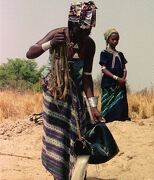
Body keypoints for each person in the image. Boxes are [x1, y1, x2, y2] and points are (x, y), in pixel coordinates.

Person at [26, 1, 104, 179]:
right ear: (71, 24)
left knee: (79, 138)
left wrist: (93, 107)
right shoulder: (58, 34)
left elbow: (86, 77)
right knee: (58, 141)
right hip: (54, 97)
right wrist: (50, 44)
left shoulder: (89, 45)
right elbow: (30, 53)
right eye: (81, 30)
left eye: (88, 31)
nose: (84, 35)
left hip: (75, 97)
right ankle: (59, 175)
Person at [99, 28, 130, 122]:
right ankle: (107, 119)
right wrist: (116, 78)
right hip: (109, 83)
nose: (115, 41)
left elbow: (124, 69)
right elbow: (103, 69)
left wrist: (122, 79)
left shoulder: (120, 54)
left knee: (120, 104)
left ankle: (121, 118)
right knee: (107, 103)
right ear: (108, 39)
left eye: (117, 39)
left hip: (120, 84)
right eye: (113, 39)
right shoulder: (104, 53)